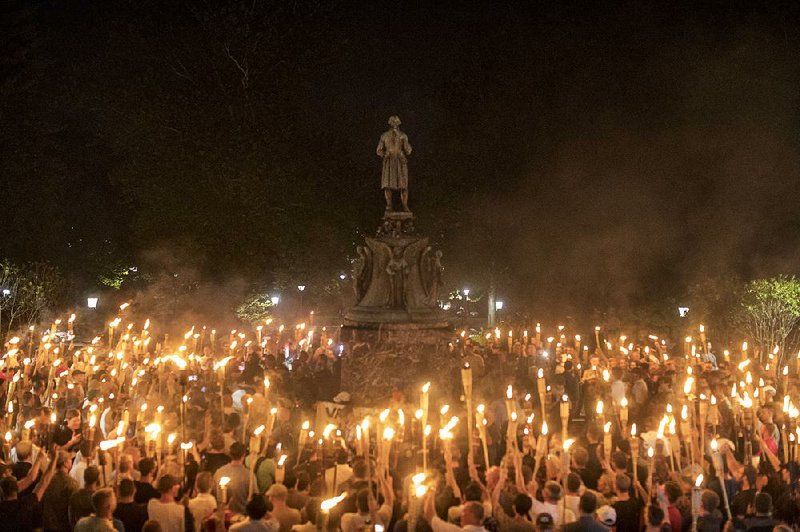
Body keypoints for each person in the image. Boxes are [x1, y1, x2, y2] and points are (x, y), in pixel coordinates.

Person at [0, 447, 58, 531]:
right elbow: (44, 482)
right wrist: (54, 460)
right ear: (18, 489)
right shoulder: (26, 505)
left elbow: (29, 479)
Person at [213, 441, 257, 516]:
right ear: (243, 455)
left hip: (222, 514)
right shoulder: (249, 475)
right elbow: (254, 495)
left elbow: (214, 491)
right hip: (241, 515)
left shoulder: (219, 472)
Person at [42, 450, 80, 532]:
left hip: (48, 525)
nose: (71, 462)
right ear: (65, 463)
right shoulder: (71, 483)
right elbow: (73, 508)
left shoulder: (47, 481)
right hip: (64, 526)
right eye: (70, 459)